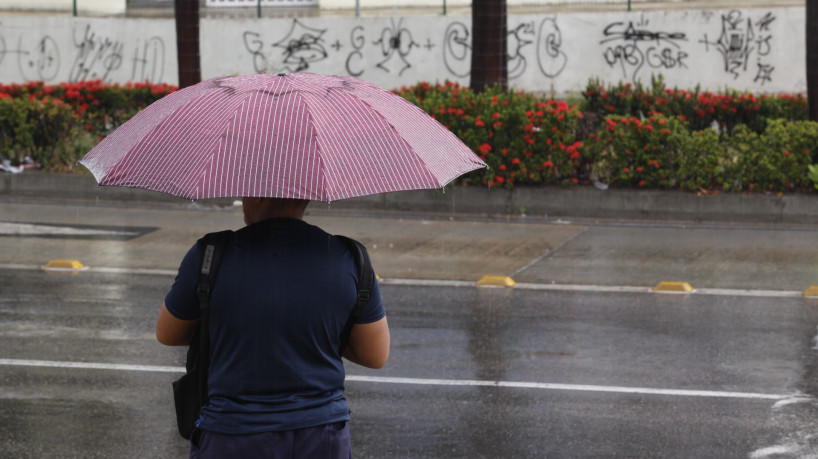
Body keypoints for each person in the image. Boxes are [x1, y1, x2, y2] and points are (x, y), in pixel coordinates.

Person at [156, 197, 390, 458]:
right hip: (320, 436)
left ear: (258, 194)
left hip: (231, 433)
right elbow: (374, 354)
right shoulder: (350, 258)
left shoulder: (210, 255)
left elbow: (168, 333)